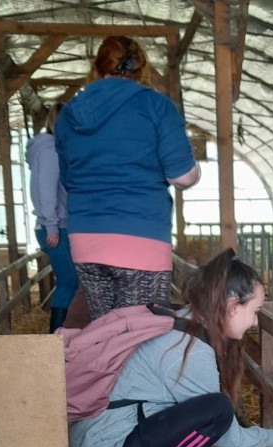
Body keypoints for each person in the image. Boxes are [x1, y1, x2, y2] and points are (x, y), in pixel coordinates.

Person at [69, 249, 273, 447]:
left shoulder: (177, 319)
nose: (255, 322)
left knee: (209, 410)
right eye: (255, 311)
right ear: (233, 306)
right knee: (218, 410)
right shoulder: (191, 351)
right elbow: (227, 435)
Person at [55, 35, 200, 321]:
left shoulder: (68, 113)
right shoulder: (156, 106)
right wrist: (195, 172)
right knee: (140, 336)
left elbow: (68, 179)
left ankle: (103, 367)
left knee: (106, 330)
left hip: (86, 238)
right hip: (140, 236)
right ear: (141, 69)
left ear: (96, 68)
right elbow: (182, 176)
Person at [25, 102, 80, 332]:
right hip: (56, 226)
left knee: (72, 282)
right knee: (69, 282)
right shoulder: (48, 148)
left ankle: (63, 337)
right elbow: (44, 188)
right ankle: (56, 338)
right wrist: (51, 225)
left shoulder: (56, 149)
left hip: (62, 224)